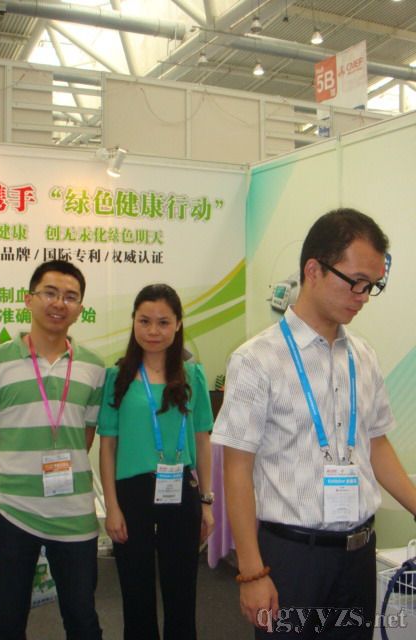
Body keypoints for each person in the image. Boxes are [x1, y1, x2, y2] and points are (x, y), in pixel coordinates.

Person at [211, 209, 416, 639]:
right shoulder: (256, 360)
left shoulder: (363, 356)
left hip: (358, 555)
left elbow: (376, 444)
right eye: (355, 281)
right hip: (292, 559)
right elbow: (237, 470)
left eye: (372, 286)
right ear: (313, 270)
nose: (363, 296)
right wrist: (252, 572)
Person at [0, 259, 105, 640]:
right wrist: (13, 477)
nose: (59, 303)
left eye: (70, 297)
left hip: (75, 515)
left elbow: (86, 435)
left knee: (82, 620)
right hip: (14, 512)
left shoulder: (94, 367)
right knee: (7, 622)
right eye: (50, 293)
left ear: (80, 309)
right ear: (29, 299)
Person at [98, 283, 215, 640]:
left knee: (182, 592)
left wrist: (206, 502)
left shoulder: (193, 375)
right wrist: (112, 507)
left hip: (181, 489)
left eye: (163, 322)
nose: (153, 331)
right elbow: (108, 447)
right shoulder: (117, 377)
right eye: (144, 321)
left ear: (178, 324)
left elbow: (202, 440)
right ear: (134, 321)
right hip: (131, 495)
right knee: (135, 593)